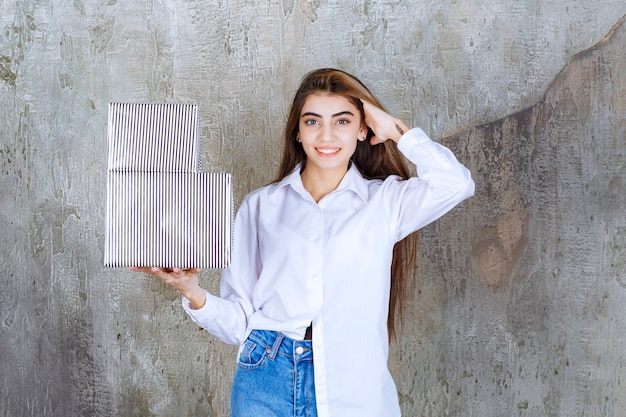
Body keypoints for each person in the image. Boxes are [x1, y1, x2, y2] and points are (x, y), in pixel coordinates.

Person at [131, 68, 475, 417]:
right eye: (312, 122)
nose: (326, 135)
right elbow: (240, 322)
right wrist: (192, 291)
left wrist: (392, 128)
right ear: (298, 131)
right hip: (266, 375)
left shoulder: (384, 203)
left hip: (353, 385)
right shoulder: (261, 206)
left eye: (342, 121)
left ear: (362, 128)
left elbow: (456, 184)